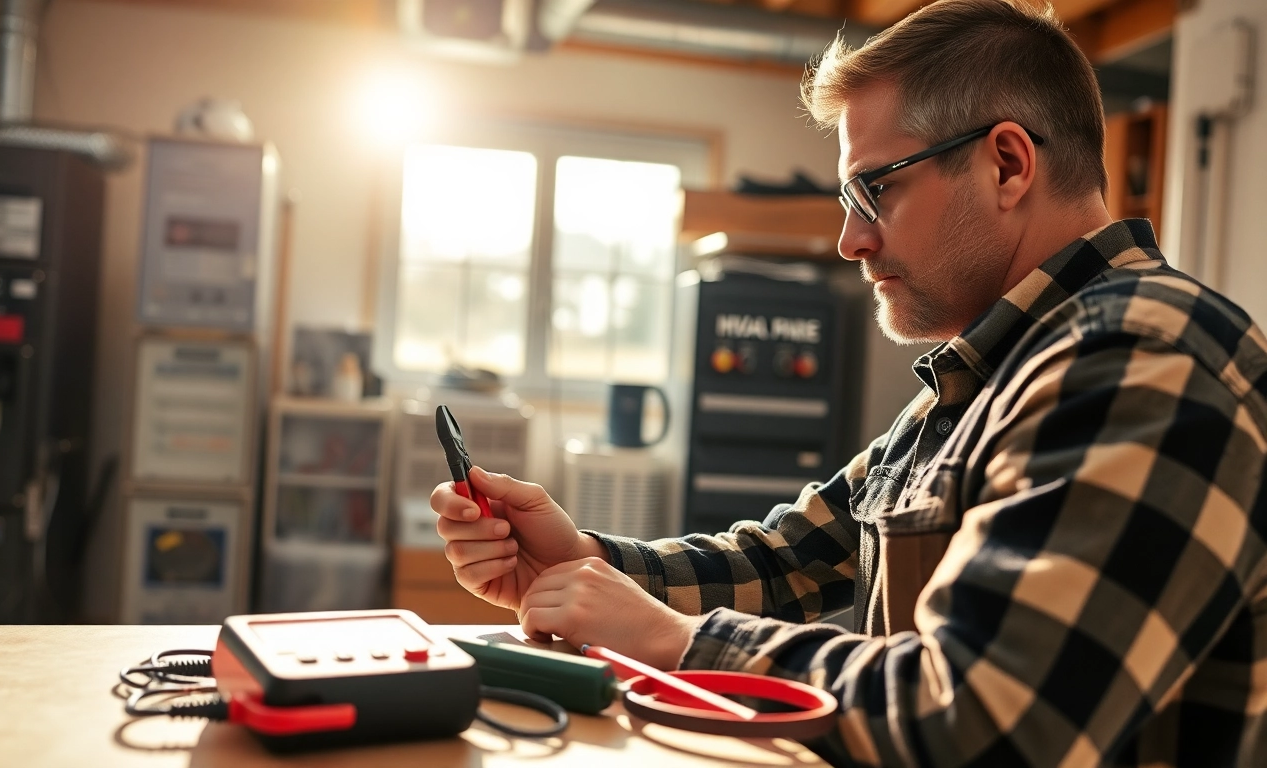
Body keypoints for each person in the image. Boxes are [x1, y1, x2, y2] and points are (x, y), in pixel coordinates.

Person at [431, 0, 1267, 764]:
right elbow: (788, 561)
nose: (849, 241)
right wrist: (581, 563)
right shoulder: (990, 376)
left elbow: (987, 721)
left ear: (1007, 165)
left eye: (874, 189)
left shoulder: (1144, 355)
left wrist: (681, 643)